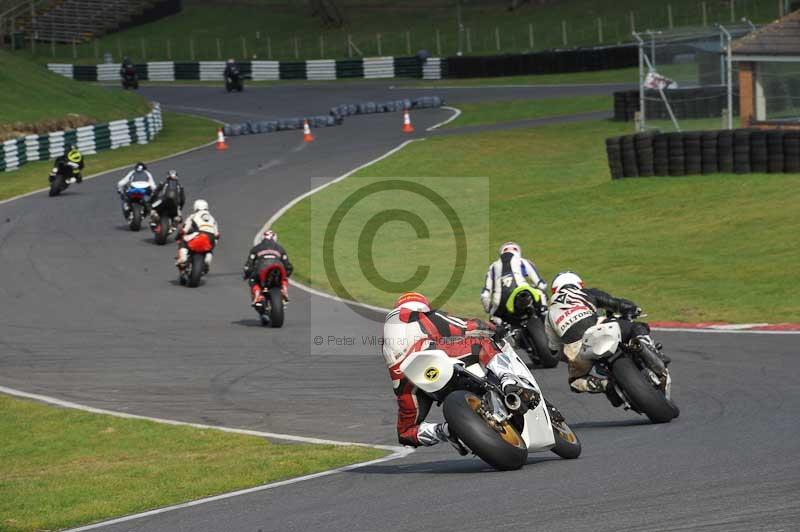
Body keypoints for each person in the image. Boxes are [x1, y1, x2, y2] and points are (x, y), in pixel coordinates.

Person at [382, 292, 539, 450]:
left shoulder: (387, 334)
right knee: (483, 342)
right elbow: (464, 326)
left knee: (405, 432)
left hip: (406, 380)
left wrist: (403, 391)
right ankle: (509, 382)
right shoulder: (418, 316)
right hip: (427, 357)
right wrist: (494, 329)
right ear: (422, 305)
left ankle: (445, 431)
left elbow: (395, 372)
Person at [545, 271, 647, 393]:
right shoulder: (583, 293)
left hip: (577, 349)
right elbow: (615, 303)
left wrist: (567, 356)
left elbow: (554, 348)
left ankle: (604, 385)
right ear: (578, 284)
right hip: (598, 328)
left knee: (575, 382)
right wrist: (633, 309)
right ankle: (644, 345)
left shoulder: (549, 313)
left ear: (555, 290)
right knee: (636, 327)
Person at [480, 241, 548, 325]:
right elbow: (541, 284)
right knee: (541, 295)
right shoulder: (523, 261)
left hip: (498, 302)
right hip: (522, 293)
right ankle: (545, 317)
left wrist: (489, 309)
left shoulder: (492, 267)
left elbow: (485, 294)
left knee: (494, 322)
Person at [242, 229, 293, 307]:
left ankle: (257, 295)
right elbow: (288, 265)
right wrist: (288, 273)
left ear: (263, 238)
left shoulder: (256, 248)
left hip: (262, 268)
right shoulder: (280, 248)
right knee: (284, 278)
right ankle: (284, 291)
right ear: (275, 238)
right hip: (278, 267)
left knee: (252, 280)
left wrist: (247, 274)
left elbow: (248, 265)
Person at [176, 199, 219, 272]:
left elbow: (184, 230)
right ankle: (207, 260)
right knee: (210, 248)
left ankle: (183, 258)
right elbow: (217, 235)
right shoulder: (212, 218)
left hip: (199, 234)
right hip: (211, 237)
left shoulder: (193, 216)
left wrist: (178, 236)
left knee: (183, 240)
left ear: (195, 207)